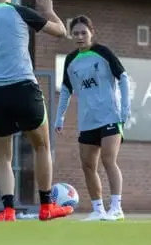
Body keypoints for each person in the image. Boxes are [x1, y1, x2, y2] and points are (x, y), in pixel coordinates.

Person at [0, 0, 73, 222]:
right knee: (42, 146)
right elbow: (61, 33)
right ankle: (46, 207)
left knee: (3, 157)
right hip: (24, 88)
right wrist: (49, 11)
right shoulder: (20, 11)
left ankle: (8, 210)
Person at [54, 15, 129, 221]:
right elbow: (67, 90)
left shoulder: (103, 53)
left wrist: (125, 109)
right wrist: (59, 117)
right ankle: (98, 210)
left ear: (91, 32)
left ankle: (116, 208)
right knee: (88, 165)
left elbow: (123, 77)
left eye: (83, 32)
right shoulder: (70, 60)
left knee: (108, 160)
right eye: (75, 33)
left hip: (110, 117)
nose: (79, 36)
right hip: (87, 121)